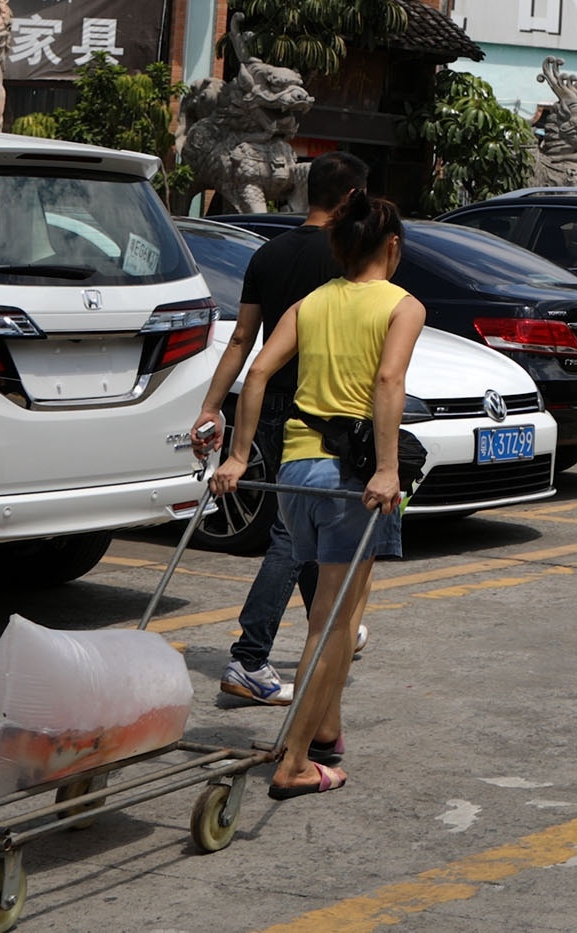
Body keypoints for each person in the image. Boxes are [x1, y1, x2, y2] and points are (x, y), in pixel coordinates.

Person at [210, 188, 423, 799]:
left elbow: (257, 371)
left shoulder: (308, 304)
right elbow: (389, 379)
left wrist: (241, 454)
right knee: (331, 624)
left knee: (341, 609)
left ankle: (326, 729)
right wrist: (387, 468)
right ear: (394, 246)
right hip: (351, 479)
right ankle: (295, 760)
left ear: (335, 245)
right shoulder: (402, 305)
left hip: (297, 473)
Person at [189, 151, 367, 707]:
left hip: (269, 404)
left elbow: (242, 340)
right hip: (324, 409)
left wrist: (212, 405)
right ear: (353, 199)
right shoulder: (349, 257)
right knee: (292, 536)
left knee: (304, 524)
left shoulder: (268, 253)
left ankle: (332, 620)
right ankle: (249, 658)